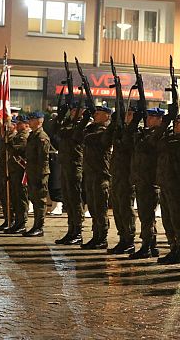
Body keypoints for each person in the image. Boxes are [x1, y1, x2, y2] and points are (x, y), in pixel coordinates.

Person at [156, 112, 180, 264]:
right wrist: (165, 124)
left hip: (178, 186)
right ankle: (173, 248)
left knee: (177, 221)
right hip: (165, 184)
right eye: (176, 123)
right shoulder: (168, 139)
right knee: (167, 220)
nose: (176, 126)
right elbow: (155, 142)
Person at [129, 108, 164, 260]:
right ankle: (151, 245)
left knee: (147, 216)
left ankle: (147, 246)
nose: (148, 120)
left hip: (150, 181)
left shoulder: (159, 135)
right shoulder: (145, 134)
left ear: (159, 120)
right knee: (146, 216)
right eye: (148, 117)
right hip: (142, 179)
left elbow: (150, 145)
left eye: (152, 117)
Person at [76, 106, 113, 249]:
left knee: (100, 208)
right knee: (92, 207)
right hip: (90, 173)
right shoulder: (91, 129)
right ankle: (96, 235)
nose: (95, 115)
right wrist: (84, 119)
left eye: (99, 113)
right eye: (95, 113)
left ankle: (102, 238)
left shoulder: (105, 131)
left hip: (100, 174)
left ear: (107, 116)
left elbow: (102, 140)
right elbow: (77, 136)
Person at [54, 102, 86, 245]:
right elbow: (56, 133)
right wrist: (61, 117)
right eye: (72, 110)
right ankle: (71, 229)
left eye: (76, 110)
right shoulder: (69, 124)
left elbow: (73, 136)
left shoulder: (84, 125)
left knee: (75, 199)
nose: (73, 112)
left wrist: (73, 121)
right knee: (68, 199)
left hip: (75, 166)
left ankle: (78, 231)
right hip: (66, 165)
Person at [108, 107, 138, 255]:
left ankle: (129, 239)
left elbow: (126, 145)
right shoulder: (122, 130)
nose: (127, 117)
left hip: (127, 176)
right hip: (117, 174)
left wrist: (130, 126)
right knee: (118, 209)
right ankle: (123, 238)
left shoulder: (135, 132)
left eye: (131, 114)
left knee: (126, 208)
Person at [23, 111, 51, 237]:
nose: (29, 121)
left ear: (39, 121)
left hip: (39, 173)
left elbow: (43, 158)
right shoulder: (33, 135)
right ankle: (36, 225)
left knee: (40, 200)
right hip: (32, 171)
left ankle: (39, 226)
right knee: (34, 199)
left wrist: (40, 175)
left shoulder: (41, 137)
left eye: (32, 119)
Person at [3, 115, 30, 234]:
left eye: (20, 123)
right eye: (17, 123)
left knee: (21, 199)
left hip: (21, 172)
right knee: (15, 198)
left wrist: (7, 143)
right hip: (14, 172)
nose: (18, 125)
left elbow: (17, 150)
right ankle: (17, 222)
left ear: (26, 125)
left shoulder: (24, 137)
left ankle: (22, 223)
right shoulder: (17, 136)